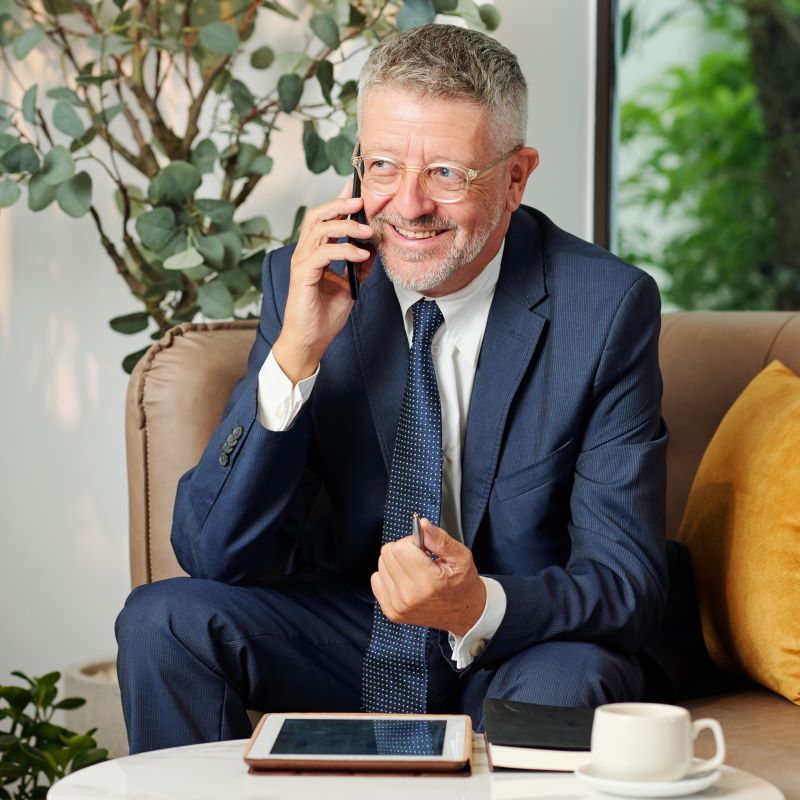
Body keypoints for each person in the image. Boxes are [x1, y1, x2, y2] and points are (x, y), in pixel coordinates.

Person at [116, 23, 668, 754]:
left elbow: (626, 581)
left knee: (564, 690)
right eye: (382, 165)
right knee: (162, 621)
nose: (406, 207)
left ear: (515, 176)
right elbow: (214, 554)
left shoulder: (604, 308)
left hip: (518, 643)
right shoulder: (307, 280)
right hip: (353, 629)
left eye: (446, 173)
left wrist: (477, 604)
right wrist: (296, 353)